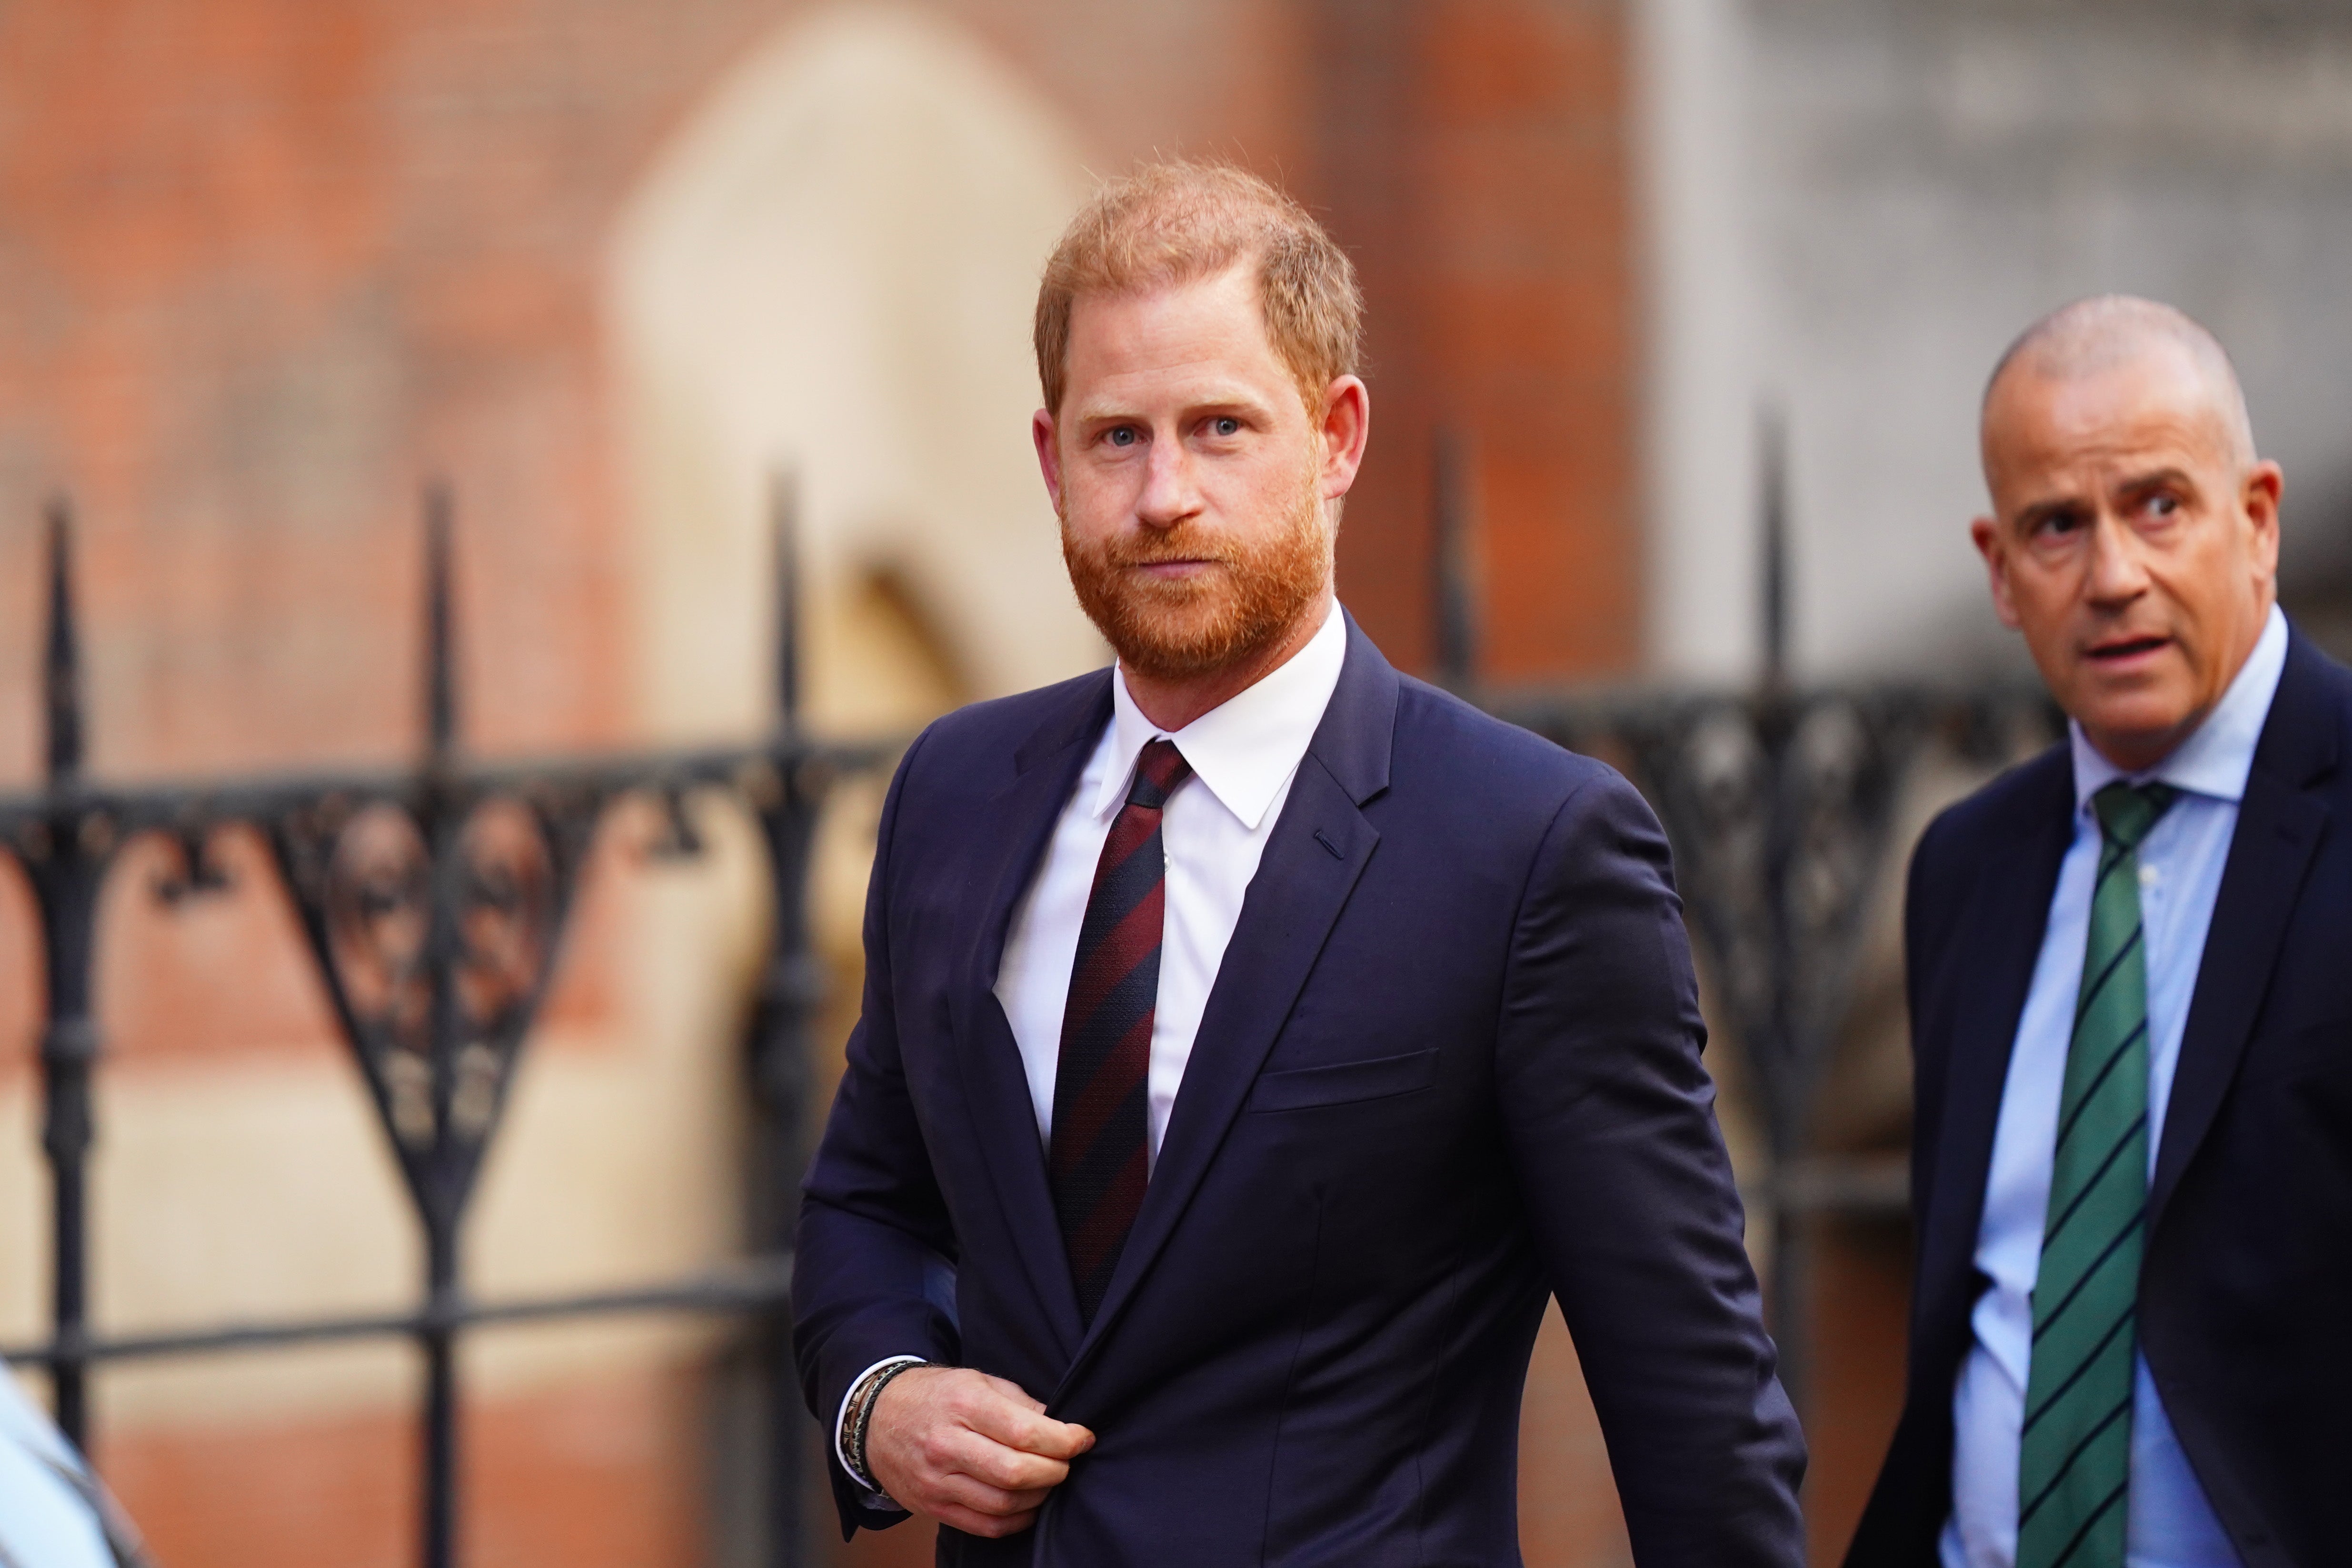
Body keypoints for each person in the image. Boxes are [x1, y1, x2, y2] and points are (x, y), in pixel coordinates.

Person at [792, 159, 1804, 1565]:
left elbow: (1689, 1391)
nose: (1164, 495)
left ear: (1336, 438)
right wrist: (880, 1400)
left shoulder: (1528, 849)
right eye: (1116, 438)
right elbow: (867, 1198)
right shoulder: (953, 794)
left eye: (1220, 428)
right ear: (1050, 459)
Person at [1845, 296, 2351, 1568]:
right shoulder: (1965, 868)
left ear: (2258, 520)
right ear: (1999, 571)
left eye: (2159, 506)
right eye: (2057, 525)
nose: (2113, 575)